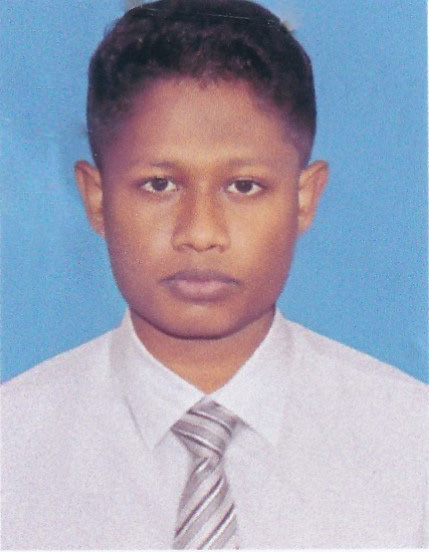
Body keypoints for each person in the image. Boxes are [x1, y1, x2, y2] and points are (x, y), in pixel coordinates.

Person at [2, 0, 427, 548]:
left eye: (243, 187)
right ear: (96, 198)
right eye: (159, 185)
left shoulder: (411, 446)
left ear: (304, 198)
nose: (200, 233)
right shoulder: (14, 449)